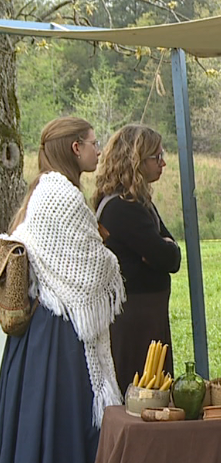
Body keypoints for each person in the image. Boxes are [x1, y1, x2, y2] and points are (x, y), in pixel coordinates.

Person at [0, 117, 125, 463]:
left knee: (40, 427)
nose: (99, 151)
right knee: (65, 428)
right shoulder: (61, 196)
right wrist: (112, 260)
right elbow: (91, 269)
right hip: (58, 335)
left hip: (40, 334)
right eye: (93, 143)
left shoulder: (45, 188)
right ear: (75, 148)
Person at [93, 125, 181, 394]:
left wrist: (163, 249)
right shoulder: (121, 208)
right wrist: (162, 249)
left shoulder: (138, 203)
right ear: (136, 162)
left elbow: (172, 254)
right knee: (142, 393)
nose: (163, 162)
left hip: (147, 317)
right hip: (135, 322)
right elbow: (166, 255)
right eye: (157, 156)